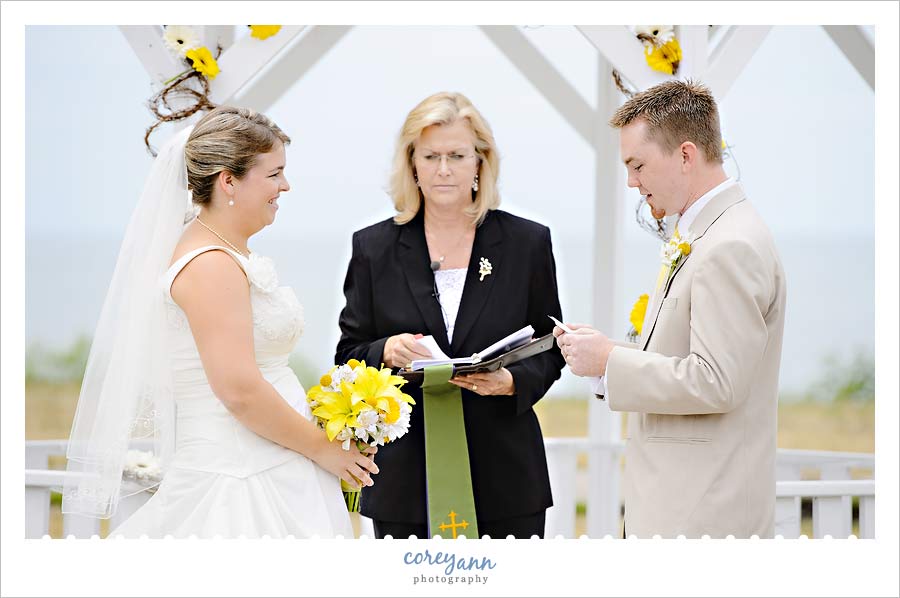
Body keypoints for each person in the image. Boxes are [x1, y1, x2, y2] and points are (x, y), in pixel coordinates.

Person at [63, 106, 378, 538]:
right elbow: (240, 391)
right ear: (228, 180)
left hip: (275, 460)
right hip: (240, 477)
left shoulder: (223, 252)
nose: (285, 186)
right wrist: (324, 450)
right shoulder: (210, 265)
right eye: (274, 174)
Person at [555, 80, 787, 539]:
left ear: (685, 155)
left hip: (703, 518)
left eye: (637, 165)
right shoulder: (706, 235)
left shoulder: (730, 245)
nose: (631, 182)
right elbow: (691, 358)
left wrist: (609, 361)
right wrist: (604, 361)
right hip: (678, 509)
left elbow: (717, 382)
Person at [335, 92, 565, 539]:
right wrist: (386, 349)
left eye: (457, 156)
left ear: (480, 162)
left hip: (505, 478)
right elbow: (348, 355)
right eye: (431, 156)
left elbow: (550, 345)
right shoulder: (373, 248)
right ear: (412, 164)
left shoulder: (527, 243)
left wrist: (514, 382)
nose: (444, 169)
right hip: (406, 480)